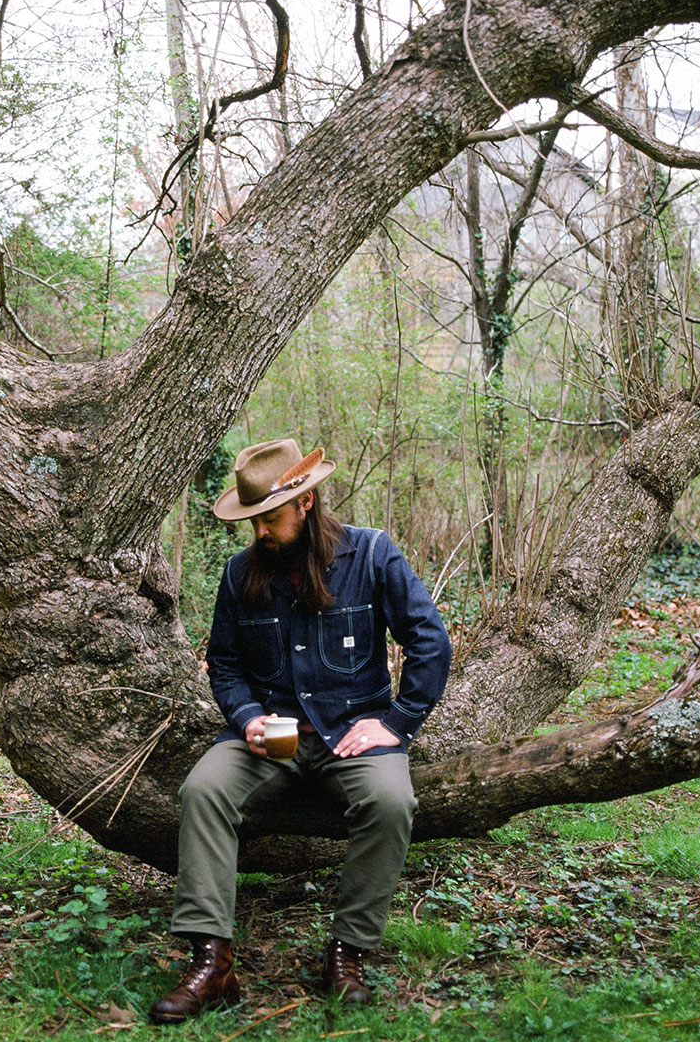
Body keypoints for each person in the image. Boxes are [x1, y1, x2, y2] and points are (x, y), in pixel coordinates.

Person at [150, 439, 451, 1024]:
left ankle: (346, 955)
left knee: (392, 801)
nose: (259, 531)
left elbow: (430, 642)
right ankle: (212, 963)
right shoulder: (240, 574)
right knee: (202, 791)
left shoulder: (371, 555)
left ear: (306, 503)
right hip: (271, 740)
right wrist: (245, 719)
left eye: (269, 518)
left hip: (351, 733)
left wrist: (394, 723)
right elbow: (227, 664)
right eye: (252, 520)